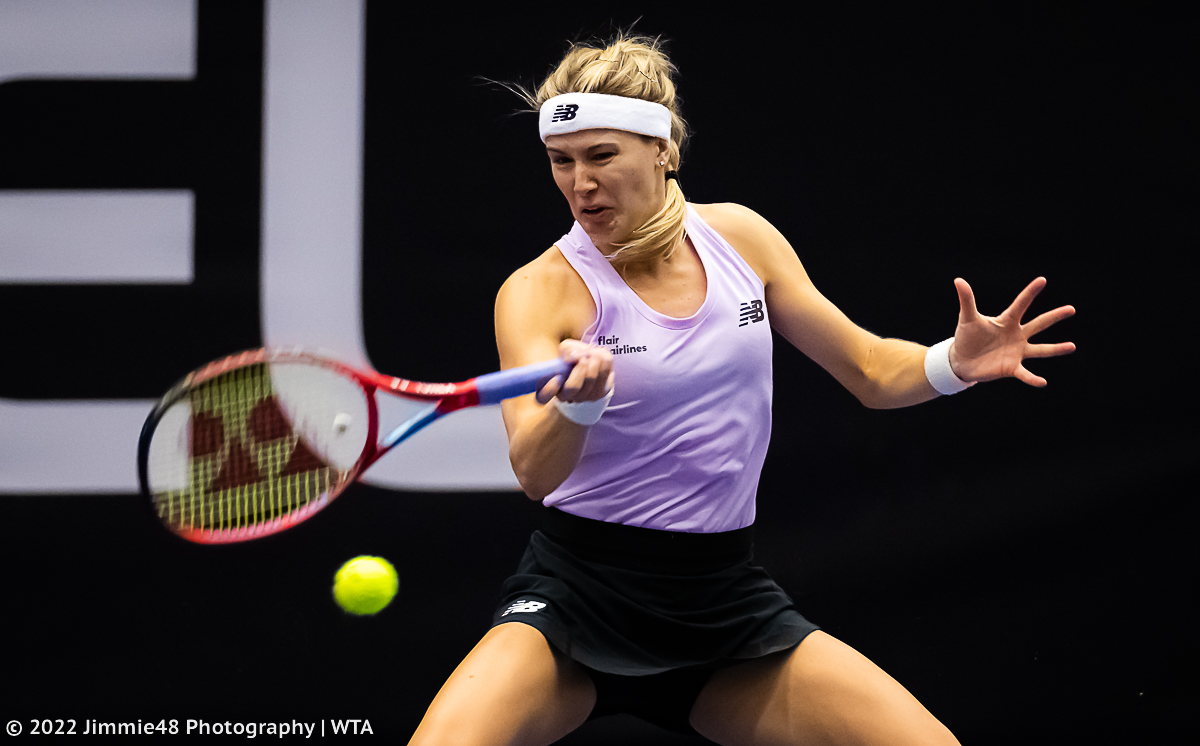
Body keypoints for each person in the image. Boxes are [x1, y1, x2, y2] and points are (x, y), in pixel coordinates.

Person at [409, 33, 1075, 746]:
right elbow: (535, 473)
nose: (580, 183)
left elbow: (872, 370)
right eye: (560, 160)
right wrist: (580, 408)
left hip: (722, 601)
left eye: (601, 155)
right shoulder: (536, 291)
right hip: (577, 597)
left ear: (662, 150)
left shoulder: (740, 238)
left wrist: (953, 363)